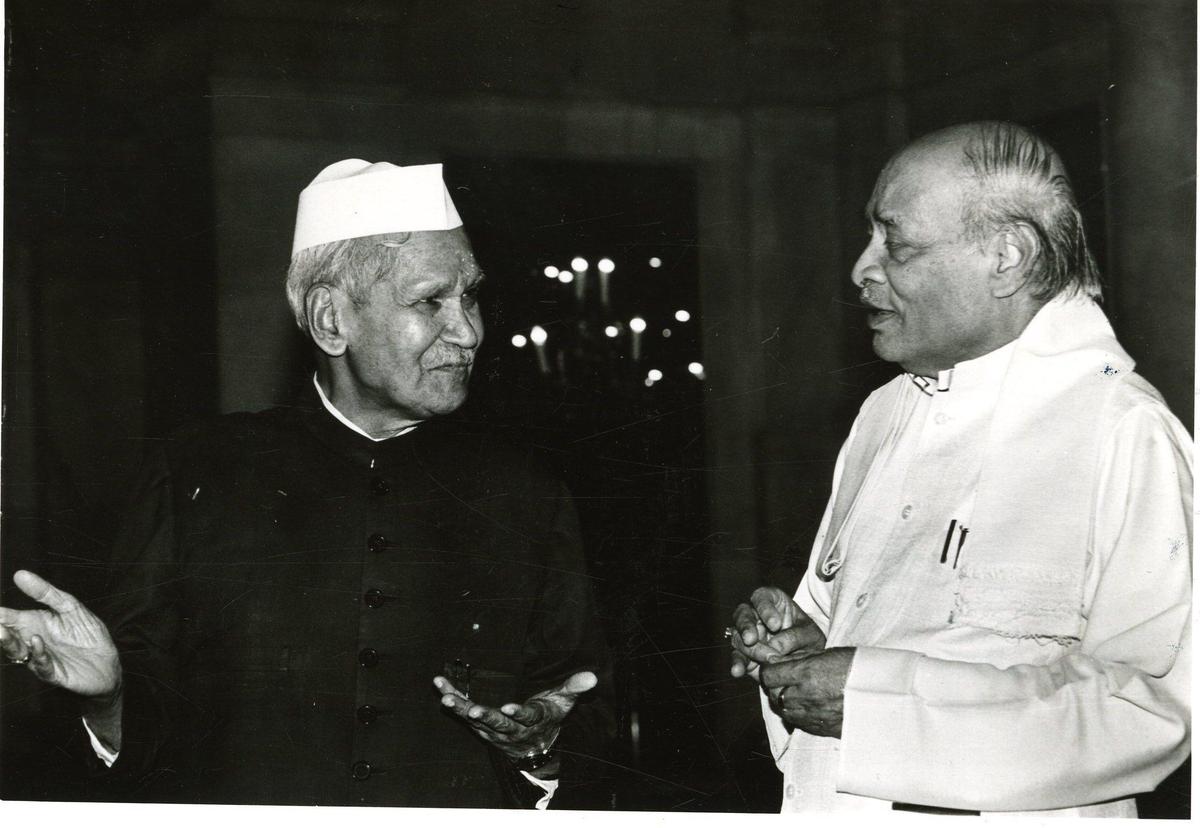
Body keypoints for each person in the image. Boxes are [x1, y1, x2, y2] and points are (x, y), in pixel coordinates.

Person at [0, 160, 613, 809]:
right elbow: (148, 745)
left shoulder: (526, 493)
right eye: (430, 300)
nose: (468, 331)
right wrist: (110, 697)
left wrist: (536, 748)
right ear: (329, 320)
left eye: (471, 296)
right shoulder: (195, 472)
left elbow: (586, 714)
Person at [729, 121, 1191, 816]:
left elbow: (1155, 712)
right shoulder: (884, 414)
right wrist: (804, 652)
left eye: (897, 243)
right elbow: (884, 641)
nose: (862, 268)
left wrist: (877, 707)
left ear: (1006, 256)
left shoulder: (1123, 430)